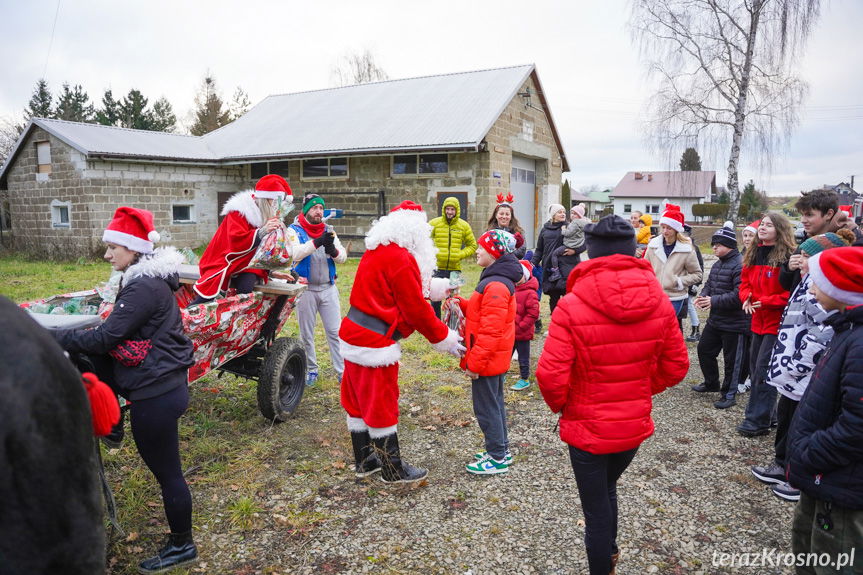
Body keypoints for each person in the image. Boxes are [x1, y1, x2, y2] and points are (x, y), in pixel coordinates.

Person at [536, 215, 689, 575]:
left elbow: (549, 374)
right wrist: (639, 390)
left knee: (595, 509)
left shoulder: (572, 305)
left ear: (593, 253)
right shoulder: (660, 301)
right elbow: (676, 367)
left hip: (587, 427)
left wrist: (566, 404)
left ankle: (602, 566)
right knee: (606, 490)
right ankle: (612, 553)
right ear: (630, 252)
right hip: (631, 427)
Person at [51, 207, 198, 573]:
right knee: (92, 360)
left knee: (168, 474)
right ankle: (112, 420)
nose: (107, 254)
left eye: (113, 247)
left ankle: (183, 545)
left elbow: (104, 337)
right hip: (163, 380)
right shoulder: (146, 281)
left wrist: (48, 335)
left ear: (133, 249)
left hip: (156, 393)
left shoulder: (143, 287)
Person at [339, 201, 464, 484]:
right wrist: (444, 337)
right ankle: (392, 470)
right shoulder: (401, 258)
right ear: (414, 231)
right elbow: (415, 309)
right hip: (375, 342)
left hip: (354, 333)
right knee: (381, 401)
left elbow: (398, 287)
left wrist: (438, 289)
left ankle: (365, 460)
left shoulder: (378, 251)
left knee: (357, 398)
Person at [750, 231, 853, 502]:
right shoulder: (806, 279)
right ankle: (782, 464)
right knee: (786, 415)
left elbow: (821, 332)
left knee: (802, 423)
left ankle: (798, 475)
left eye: (807, 257)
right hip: (792, 364)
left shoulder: (826, 290)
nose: (800, 260)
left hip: (804, 369)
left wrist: (797, 363)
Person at [786, 246, 863, 573]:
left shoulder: (859, 343)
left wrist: (807, 453)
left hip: (841, 484)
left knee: (833, 562)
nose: (811, 287)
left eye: (817, 281)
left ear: (840, 291)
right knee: (810, 551)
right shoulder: (847, 330)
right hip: (827, 479)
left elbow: (857, 426)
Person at [452, 230, 523, 475]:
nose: (477, 250)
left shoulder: (496, 285)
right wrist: (461, 303)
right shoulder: (494, 279)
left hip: (487, 361)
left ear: (494, 252)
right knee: (494, 404)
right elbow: (481, 312)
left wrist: (475, 363)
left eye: (482, 247)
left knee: (486, 408)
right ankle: (501, 448)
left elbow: (491, 332)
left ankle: (496, 458)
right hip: (492, 360)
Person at [192, 175, 297, 302]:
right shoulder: (240, 211)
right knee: (208, 295)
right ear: (265, 199)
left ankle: (239, 315)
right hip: (223, 259)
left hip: (246, 264)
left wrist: (270, 272)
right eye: (274, 201)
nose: (276, 206)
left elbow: (262, 251)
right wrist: (262, 231)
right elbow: (236, 241)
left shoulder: (266, 215)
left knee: (247, 286)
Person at [736, 212, 795, 438]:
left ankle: (757, 421)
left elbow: (790, 293)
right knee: (755, 369)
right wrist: (747, 297)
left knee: (763, 370)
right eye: (762, 224)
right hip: (757, 321)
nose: (762, 228)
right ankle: (769, 416)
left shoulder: (787, 256)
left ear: (779, 229)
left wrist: (765, 302)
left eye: (769, 225)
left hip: (776, 323)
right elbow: (744, 282)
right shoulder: (753, 252)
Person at [290, 193, 347, 386]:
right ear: (306, 211)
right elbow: (294, 253)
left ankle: (342, 371)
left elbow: (343, 258)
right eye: (314, 208)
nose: (318, 211)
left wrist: (333, 250)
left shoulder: (329, 230)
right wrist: (316, 242)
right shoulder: (294, 230)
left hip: (328, 288)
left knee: (335, 332)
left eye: (321, 208)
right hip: (305, 290)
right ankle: (312, 370)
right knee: (307, 334)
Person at [691, 223, 751, 409]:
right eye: (713, 244)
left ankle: (729, 394)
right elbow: (709, 284)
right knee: (704, 350)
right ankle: (712, 383)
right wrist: (703, 296)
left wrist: (713, 301)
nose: (714, 247)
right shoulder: (718, 264)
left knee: (732, 362)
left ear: (729, 245)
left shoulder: (740, 265)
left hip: (735, 323)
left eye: (718, 244)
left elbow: (739, 295)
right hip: (716, 320)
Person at [644, 204, 703, 319]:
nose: (665, 231)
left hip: (675, 297)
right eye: (663, 227)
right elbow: (644, 268)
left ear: (676, 229)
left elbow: (698, 275)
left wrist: (679, 281)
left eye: (669, 228)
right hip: (654, 295)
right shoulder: (653, 245)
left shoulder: (686, 249)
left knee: (665, 326)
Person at [780, 188, 839, 293]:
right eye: (802, 214)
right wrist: (789, 269)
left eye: (809, 215)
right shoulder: (807, 239)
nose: (802, 220)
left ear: (829, 214)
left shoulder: (846, 244)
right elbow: (786, 285)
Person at [429, 197, 478, 317]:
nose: (450, 212)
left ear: (457, 211)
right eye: (447, 209)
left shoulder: (464, 226)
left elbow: (472, 245)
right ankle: (436, 328)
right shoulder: (434, 223)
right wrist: (431, 253)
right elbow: (423, 240)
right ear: (443, 209)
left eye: (452, 209)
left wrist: (460, 255)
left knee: (454, 300)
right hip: (437, 269)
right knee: (435, 300)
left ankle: (453, 328)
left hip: (455, 269)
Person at [531, 203, 570, 315]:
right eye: (559, 212)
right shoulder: (545, 229)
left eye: (563, 211)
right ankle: (555, 323)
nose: (563, 214)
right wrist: (532, 264)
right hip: (549, 268)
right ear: (553, 215)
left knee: (567, 297)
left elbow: (579, 243)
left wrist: (574, 251)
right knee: (553, 297)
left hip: (565, 268)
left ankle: (568, 325)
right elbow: (539, 250)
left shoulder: (569, 227)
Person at [511, 259, 540, 391]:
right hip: (511, 331)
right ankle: (502, 373)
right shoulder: (511, 289)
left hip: (522, 332)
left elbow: (533, 314)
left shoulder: (530, 293)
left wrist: (522, 326)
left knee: (523, 356)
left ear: (526, 275)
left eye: (520, 274)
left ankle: (524, 378)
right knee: (506, 354)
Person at [682, 224, 705, 341]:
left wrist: (696, 283)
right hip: (684, 280)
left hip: (690, 281)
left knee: (690, 304)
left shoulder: (693, 248)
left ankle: (696, 330)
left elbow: (700, 265)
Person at [487, 193, 526, 258]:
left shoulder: (518, 231)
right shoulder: (489, 231)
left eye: (507, 214)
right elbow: (486, 250)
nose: (504, 217)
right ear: (496, 215)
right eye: (501, 214)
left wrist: (505, 255)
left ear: (511, 216)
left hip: (513, 265)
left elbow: (521, 251)